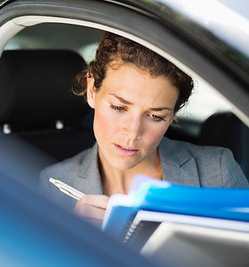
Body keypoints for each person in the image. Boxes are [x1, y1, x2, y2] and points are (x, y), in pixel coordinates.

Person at [40, 32, 249, 226]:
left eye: (156, 116)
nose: (132, 133)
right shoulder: (55, 184)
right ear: (92, 91)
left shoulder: (217, 174)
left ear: (173, 115)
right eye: (119, 107)